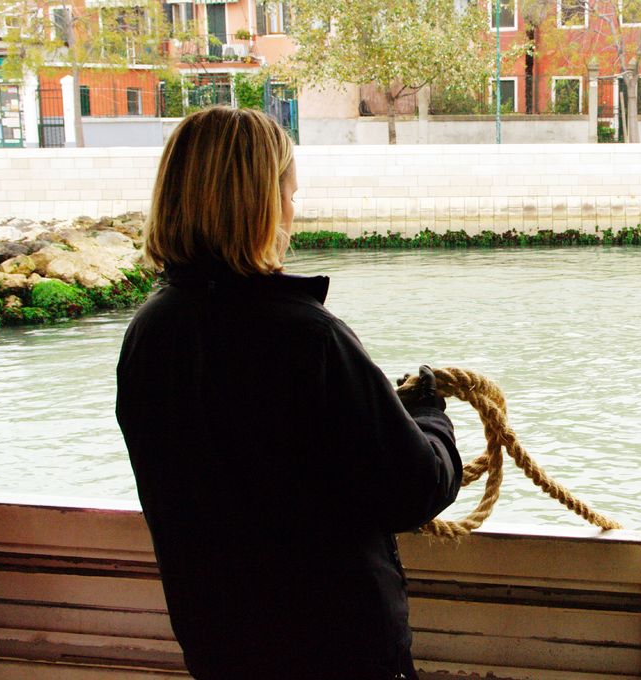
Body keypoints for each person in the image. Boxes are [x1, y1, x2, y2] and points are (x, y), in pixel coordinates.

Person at [116, 106, 462, 680]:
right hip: (335, 650)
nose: (292, 212)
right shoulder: (310, 337)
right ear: (262, 204)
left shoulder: (149, 333)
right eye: (290, 195)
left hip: (218, 643)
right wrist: (429, 415)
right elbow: (415, 488)